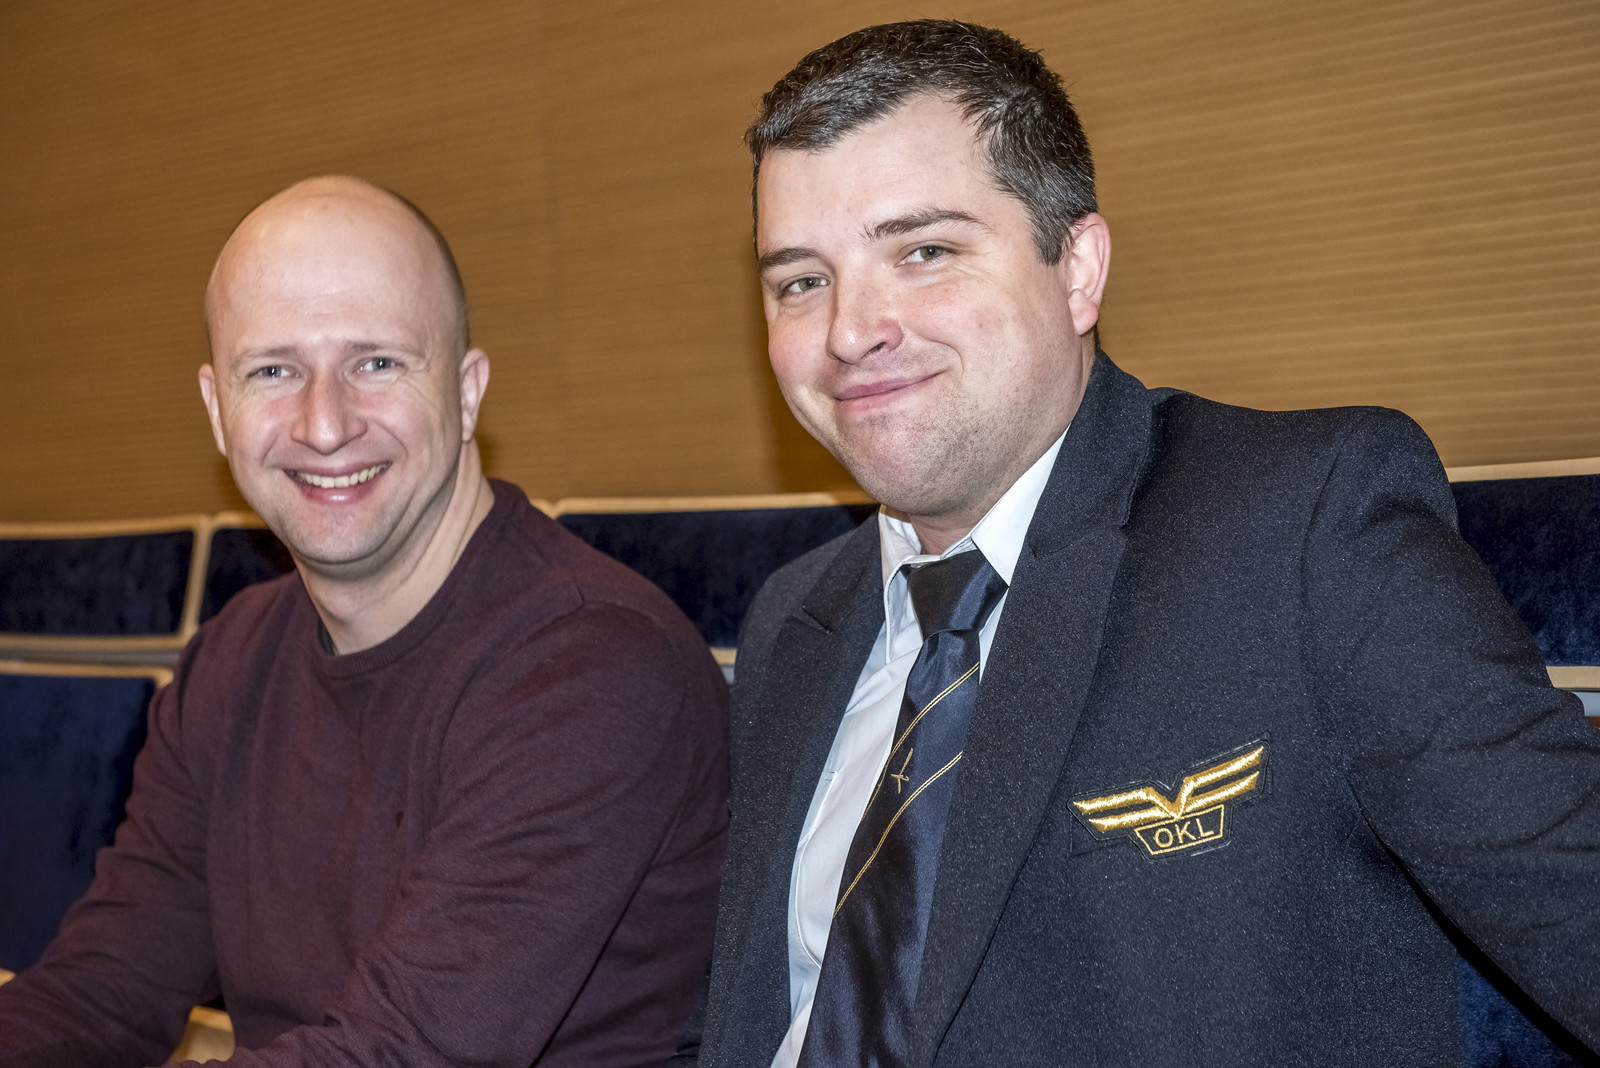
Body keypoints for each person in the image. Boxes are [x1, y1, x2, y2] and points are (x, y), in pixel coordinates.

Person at [684, 20, 1600, 1067]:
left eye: (923, 251)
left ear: (1077, 268)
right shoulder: (794, 620)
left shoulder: (1303, 530)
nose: (851, 329)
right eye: (800, 281)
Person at [0, 176, 729, 1067]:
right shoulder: (229, 660)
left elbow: (397, 1056)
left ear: (467, 392)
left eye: (376, 363)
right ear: (217, 412)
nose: (324, 424)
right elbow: (102, 987)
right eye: (273, 371)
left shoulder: (594, 666)